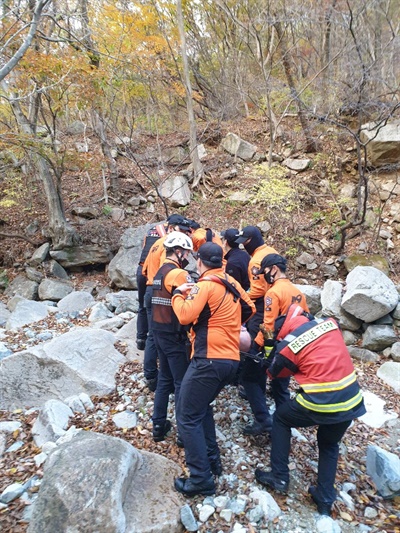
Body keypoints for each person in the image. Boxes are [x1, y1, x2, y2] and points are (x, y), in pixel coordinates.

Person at [255, 304, 366, 516]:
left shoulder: (289, 344)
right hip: (351, 399)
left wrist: (270, 348)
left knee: (281, 418)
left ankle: (279, 476)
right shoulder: (330, 324)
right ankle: (324, 498)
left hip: (321, 401)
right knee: (329, 444)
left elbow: (273, 372)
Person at [171, 242, 255, 496]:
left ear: (200, 262)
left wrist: (177, 294)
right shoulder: (232, 283)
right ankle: (212, 461)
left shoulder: (205, 285)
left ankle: (201, 479)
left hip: (208, 359)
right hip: (230, 360)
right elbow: (250, 308)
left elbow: (185, 316)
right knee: (201, 408)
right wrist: (230, 325)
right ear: (222, 262)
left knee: (186, 416)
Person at [251, 254, 309, 425]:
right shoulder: (298, 293)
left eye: (266, 271)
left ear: (274, 269)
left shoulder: (273, 292)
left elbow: (268, 324)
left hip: (273, 344)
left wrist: (257, 346)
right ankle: (285, 423)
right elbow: (305, 321)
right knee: (280, 387)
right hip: (291, 347)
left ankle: (262, 419)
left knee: (251, 378)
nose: (265, 276)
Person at [233, 226, 277, 435]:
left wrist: (241, 296)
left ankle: (260, 410)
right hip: (277, 309)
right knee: (269, 349)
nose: (242, 245)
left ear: (252, 240)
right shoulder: (272, 252)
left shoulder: (256, 260)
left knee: (254, 351)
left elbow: (257, 290)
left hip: (261, 309)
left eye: (244, 241)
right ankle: (265, 385)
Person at [151, 232, 194, 445]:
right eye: (186, 252)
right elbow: (191, 303)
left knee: (164, 380)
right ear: (178, 251)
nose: (187, 256)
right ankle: (183, 433)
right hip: (174, 335)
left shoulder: (160, 271)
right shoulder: (178, 274)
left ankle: (158, 425)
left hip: (158, 332)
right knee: (180, 383)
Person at [142, 214, 192, 391]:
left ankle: (151, 375)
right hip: (164, 294)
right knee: (178, 377)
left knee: (153, 336)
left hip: (152, 287)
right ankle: (152, 375)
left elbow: (144, 268)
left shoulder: (156, 243)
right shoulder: (174, 267)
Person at [136, 222, 168, 350]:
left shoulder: (150, 231)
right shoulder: (167, 238)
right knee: (152, 307)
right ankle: (152, 339)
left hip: (141, 268)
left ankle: (140, 338)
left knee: (142, 306)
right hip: (152, 273)